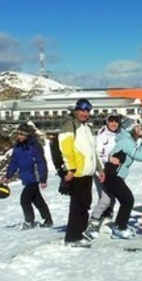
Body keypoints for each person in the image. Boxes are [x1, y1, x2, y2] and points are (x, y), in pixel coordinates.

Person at [58, 98, 102, 247]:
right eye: (82, 110)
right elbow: (66, 148)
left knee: (85, 204)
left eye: (87, 110)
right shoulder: (70, 125)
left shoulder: (87, 128)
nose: (85, 113)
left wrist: (99, 169)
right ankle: (72, 237)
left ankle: (81, 233)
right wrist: (71, 169)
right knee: (77, 206)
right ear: (76, 111)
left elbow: (92, 152)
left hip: (87, 173)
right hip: (76, 173)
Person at [101, 119, 142, 239]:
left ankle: (117, 225)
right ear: (130, 128)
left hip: (115, 175)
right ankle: (119, 228)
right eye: (138, 127)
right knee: (127, 200)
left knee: (124, 200)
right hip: (112, 175)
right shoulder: (126, 141)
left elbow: (137, 152)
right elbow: (139, 156)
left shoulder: (129, 140)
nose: (141, 129)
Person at [1, 123, 53, 229]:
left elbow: (41, 162)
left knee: (25, 199)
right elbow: (14, 163)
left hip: (34, 177)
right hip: (26, 177)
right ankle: (47, 220)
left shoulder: (34, 146)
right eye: (18, 134)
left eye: (21, 134)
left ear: (27, 135)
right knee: (37, 200)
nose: (19, 136)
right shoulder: (18, 147)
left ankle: (29, 222)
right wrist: (8, 176)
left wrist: (43, 179)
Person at [87, 114, 121, 232]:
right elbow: (96, 155)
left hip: (112, 172)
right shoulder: (102, 137)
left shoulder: (118, 135)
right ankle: (94, 221)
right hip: (101, 171)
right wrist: (109, 159)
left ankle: (106, 219)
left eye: (116, 121)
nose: (114, 124)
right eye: (111, 121)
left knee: (112, 198)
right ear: (107, 122)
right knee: (106, 199)